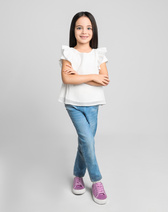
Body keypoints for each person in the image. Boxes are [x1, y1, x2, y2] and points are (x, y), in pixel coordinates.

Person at [59, 11, 110, 205]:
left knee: (84, 143)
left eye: (88, 27)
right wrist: (92, 76)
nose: (84, 31)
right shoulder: (68, 53)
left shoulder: (99, 55)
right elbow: (66, 79)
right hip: (73, 104)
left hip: (93, 106)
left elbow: (104, 80)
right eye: (79, 27)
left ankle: (78, 176)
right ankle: (97, 180)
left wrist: (79, 75)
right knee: (88, 140)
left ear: (93, 31)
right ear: (73, 30)